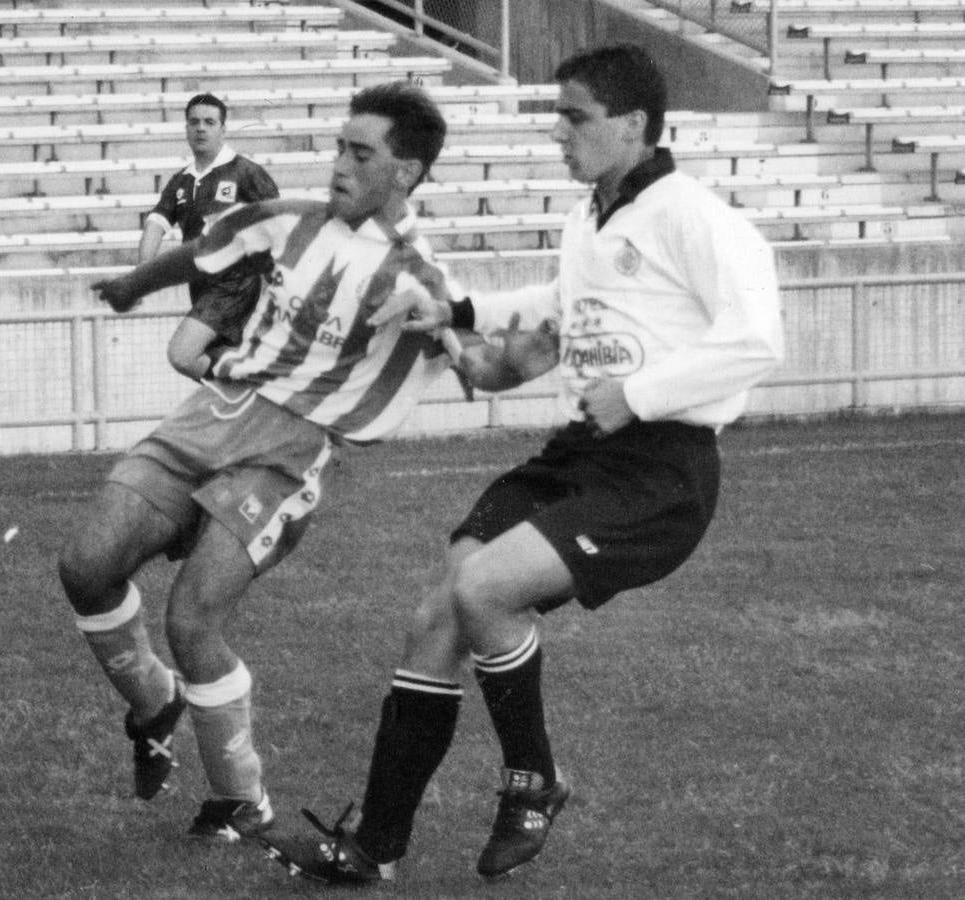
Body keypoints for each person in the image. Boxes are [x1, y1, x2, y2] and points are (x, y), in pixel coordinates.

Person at [257, 42, 785, 884]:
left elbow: (757, 339)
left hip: (661, 470)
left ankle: (534, 782)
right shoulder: (591, 214)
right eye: (557, 117)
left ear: (634, 126)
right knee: (441, 612)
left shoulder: (695, 216)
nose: (558, 134)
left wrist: (641, 393)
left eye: (574, 118)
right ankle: (373, 848)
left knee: (481, 591)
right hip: (583, 452)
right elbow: (555, 307)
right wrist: (454, 306)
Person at [58, 81, 458, 844]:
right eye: (339, 145)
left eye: (360, 152)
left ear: (404, 172)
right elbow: (203, 249)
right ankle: (153, 703)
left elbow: (483, 359)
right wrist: (132, 286)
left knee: (192, 616)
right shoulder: (289, 220)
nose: (338, 162)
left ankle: (241, 799)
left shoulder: (419, 277)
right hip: (208, 416)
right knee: (84, 562)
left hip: (287, 452)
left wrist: (460, 333)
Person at [139, 92, 279, 380]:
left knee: (182, 354)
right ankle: (251, 393)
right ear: (186, 128)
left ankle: (249, 388)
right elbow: (156, 223)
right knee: (222, 362)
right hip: (202, 288)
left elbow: (280, 224)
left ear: (223, 129)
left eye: (209, 122)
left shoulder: (246, 173)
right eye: (194, 122)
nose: (201, 128)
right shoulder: (181, 181)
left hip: (235, 284)